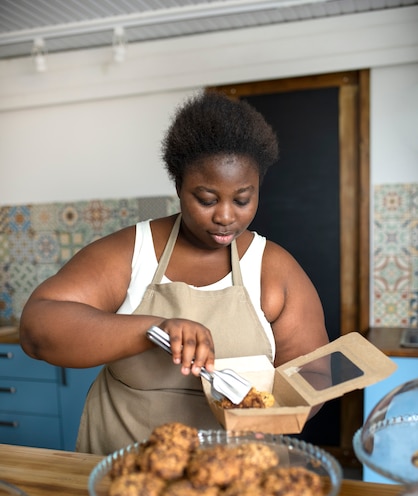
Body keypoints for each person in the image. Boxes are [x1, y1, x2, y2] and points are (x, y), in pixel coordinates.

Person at [19, 90, 329, 455]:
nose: (226, 216)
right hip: (123, 470)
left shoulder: (274, 269)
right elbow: (37, 330)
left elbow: (315, 373)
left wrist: (278, 415)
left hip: (235, 476)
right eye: (207, 199)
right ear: (179, 186)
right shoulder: (130, 253)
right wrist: (153, 329)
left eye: (243, 199)